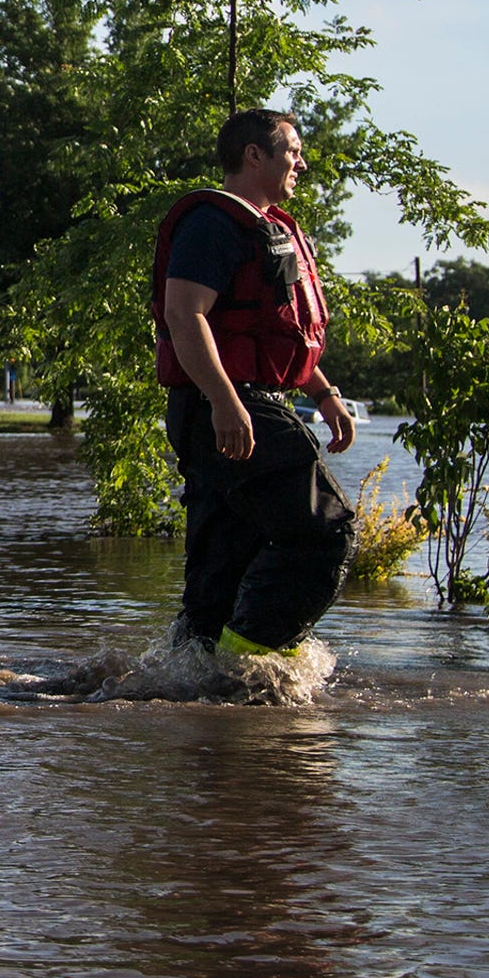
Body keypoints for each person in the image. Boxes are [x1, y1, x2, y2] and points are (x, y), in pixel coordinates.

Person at [151, 108, 357, 661]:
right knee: (326, 533)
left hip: (235, 403)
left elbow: (268, 334)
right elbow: (183, 314)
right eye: (292, 152)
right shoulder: (213, 224)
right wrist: (224, 400)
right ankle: (253, 665)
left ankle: (191, 682)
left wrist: (322, 392)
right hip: (228, 407)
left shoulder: (269, 230)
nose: (302, 163)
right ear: (254, 155)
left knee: (223, 567)